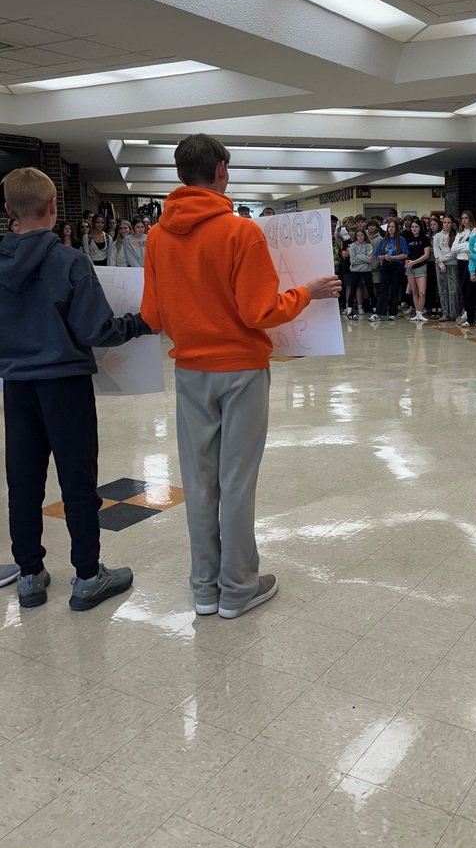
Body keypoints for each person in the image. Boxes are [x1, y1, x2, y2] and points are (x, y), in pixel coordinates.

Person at [141, 134, 341, 619]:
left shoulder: (156, 237)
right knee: (236, 481)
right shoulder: (240, 232)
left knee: (198, 482)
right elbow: (259, 312)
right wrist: (306, 293)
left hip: (190, 370)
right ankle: (237, 588)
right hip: (241, 371)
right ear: (221, 170)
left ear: (180, 175)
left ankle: (204, 588)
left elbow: (152, 316)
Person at [0, 168, 153, 610]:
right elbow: (94, 329)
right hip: (64, 385)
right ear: (53, 208)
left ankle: (30, 575)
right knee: (77, 479)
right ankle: (88, 576)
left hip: (16, 385)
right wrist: (139, 323)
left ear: (8, 211)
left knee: (22, 479)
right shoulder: (70, 261)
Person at [375, 220, 408, 320]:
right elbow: (378, 255)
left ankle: (393, 313)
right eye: (389, 227)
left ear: (396, 228)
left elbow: (405, 254)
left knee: (395, 289)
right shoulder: (383, 240)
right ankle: (379, 312)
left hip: (397, 265)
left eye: (393, 227)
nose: (391, 229)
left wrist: (393, 257)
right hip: (386, 265)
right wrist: (384, 257)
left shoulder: (401, 240)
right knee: (383, 289)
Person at [432, 214, 459, 322]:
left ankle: (454, 313)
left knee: (453, 290)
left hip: (452, 264)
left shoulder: (456, 235)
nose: (446, 225)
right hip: (440, 265)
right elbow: (436, 250)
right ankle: (445, 313)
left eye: (448, 223)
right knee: (442, 289)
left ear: (452, 224)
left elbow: (454, 252)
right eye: (444, 222)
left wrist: (442, 259)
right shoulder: (438, 236)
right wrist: (441, 264)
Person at [404, 218, 431, 322]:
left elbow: (426, 255)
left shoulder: (424, 239)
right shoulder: (408, 239)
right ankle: (417, 313)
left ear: (420, 228)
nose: (414, 229)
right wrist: (407, 261)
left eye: (416, 227)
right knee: (414, 291)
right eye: (412, 227)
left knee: (422, 292)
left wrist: (414, 262)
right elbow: (405, 253)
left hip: (420, 267)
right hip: (410, 268)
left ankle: (420, 312)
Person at [450, 211, 474, 322]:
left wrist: (460, 247)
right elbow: (453, 248)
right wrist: (464, 246)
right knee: (462, 288)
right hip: (460, 261)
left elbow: (471, 246)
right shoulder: (460, 233)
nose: (464, 220)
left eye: (466, 218)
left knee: (466, 287)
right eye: (462, 218)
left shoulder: (474, 231)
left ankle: (469, 310)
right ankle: (465, 309)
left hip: (469, 261)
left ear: (470, 219)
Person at [345, 228, 374, 319]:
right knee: (353, 290)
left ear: (364, 236)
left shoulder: (369, 245)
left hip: (366, 271)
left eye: (362, 235)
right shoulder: (353, 246)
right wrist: (363, 258)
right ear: (356, 237)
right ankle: (349, 310)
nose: (360, 237)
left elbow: (369, 259)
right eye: (358, 235)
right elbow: (353, 261)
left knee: (370, 289)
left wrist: (358, 256)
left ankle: (375, 309)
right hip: (355, 271)